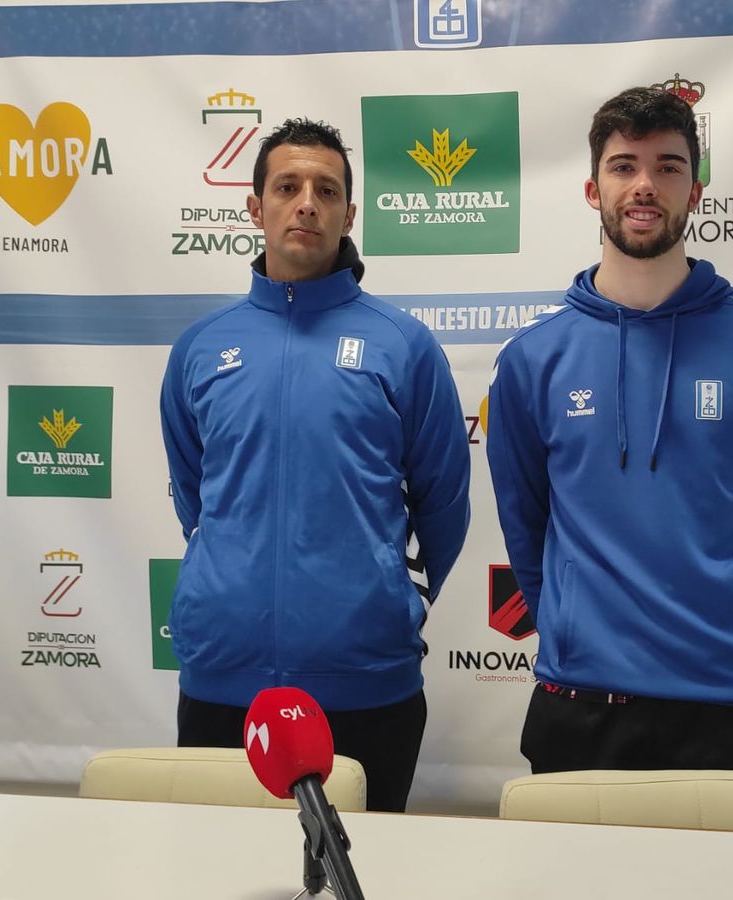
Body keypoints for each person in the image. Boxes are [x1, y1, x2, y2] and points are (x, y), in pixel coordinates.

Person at [485, 87, 733, 780]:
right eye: (624, 165)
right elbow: (525, 524)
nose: (644, 185)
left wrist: (730, 607)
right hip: (582, 699)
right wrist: (575, 626)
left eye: (667, 167)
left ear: (696, 191)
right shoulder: (531, 359)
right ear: (591, 187)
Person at [160, 118, 470, 812]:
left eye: (326, 190)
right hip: (222, 686)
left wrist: (391, 599)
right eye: (287, 186)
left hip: (366, 686)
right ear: (254, 207)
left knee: (362, 878)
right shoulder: (201, 349)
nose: (307, 202)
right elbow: (195, 499)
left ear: (349, 214)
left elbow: (444, 501)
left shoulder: (403, 346)